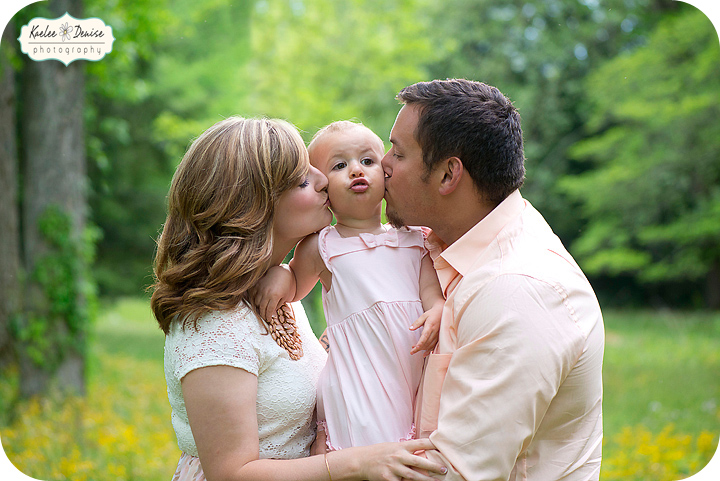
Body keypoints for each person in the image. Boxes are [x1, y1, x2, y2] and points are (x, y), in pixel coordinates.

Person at [150, 116, 447, 481]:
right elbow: (230, 474)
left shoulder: (278, 293)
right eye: (303, 179)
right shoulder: (215, 325)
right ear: (254, 204)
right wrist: (358, 462)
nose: (323, 180)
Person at [382, 79, 605, 480]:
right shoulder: (442, 246)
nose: (382, 164)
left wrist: (333, 468)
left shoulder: (519, 290)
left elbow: (454, 473)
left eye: (398, 153)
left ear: (448, 175)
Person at [250, 120, 445, 451]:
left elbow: (431, 292)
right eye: (339, 166)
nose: (356, 170)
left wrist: (437, 309)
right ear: (323, 189)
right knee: (369, 453)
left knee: (413, 448)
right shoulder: (324, 246)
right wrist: (281, 275)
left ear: (386, 174)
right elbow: (296, 283)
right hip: (360, 380)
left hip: (411, 369)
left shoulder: (414, 239)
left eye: (367, 161)